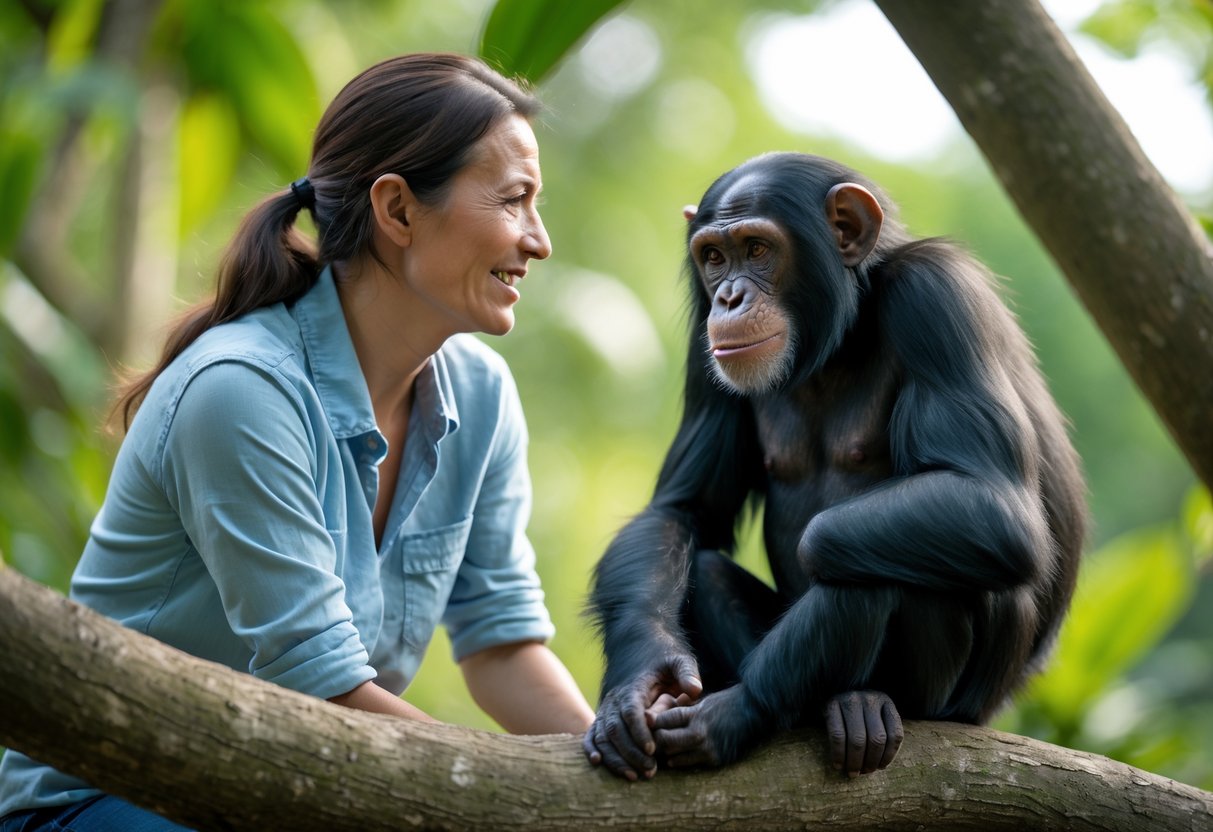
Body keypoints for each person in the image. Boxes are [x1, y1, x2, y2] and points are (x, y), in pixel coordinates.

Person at [0, 52, 594, 831]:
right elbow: (323, 690)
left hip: (296, 796)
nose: (539, 240)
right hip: (104, 803)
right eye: (514, 200)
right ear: (398, 210)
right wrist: (514, 807)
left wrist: (620, 770)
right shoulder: (241, 390)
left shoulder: (479, 398)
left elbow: (501, 645)